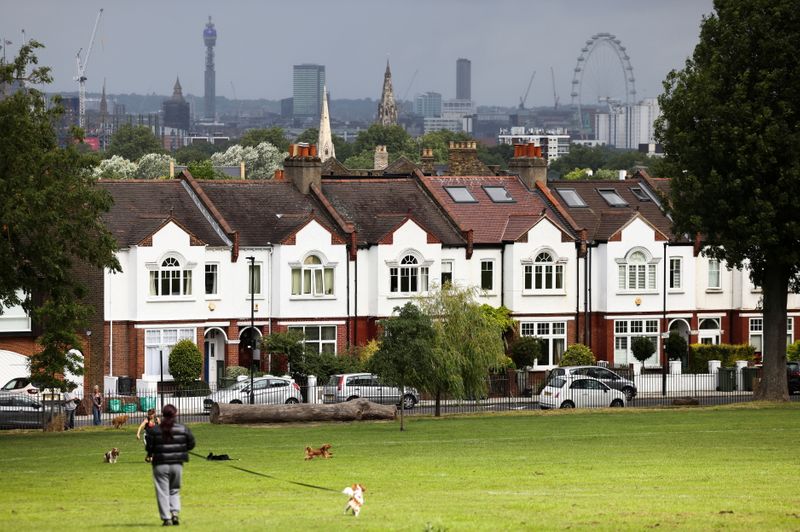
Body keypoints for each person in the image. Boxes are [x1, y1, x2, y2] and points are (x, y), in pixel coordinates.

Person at [146, 404, 196, 526]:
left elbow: (149, 447)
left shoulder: (154, 430)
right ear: (175, 414)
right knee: (174, 489)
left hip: (160, 464)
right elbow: (191, 444)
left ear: (163, 414)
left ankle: (166, 518)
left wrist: (151, 453)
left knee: (162, 491)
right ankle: (175, 514)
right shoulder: (182, 428)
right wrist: (183, 448)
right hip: (177, 464)